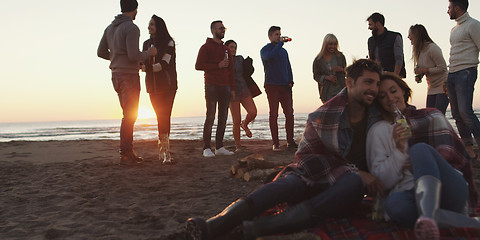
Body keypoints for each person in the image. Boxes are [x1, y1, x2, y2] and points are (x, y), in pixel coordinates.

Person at [185, 59, 385, 240]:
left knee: (353, 183)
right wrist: (354, 171)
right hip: (314, 175)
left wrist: (356, 174)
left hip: (343, 187)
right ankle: (215, 224)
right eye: (368, 82)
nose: (374, 89)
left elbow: (410, 118)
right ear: (349, 82)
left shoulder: (381, 113)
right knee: (288, 183)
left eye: (377, 84)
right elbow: (307, 160)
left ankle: (255, 229)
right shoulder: (324, 114)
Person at [366, 73, 479, 240]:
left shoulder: (431, 115)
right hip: (410, 194)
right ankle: (437, 220)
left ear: (403, 91)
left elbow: (454, 157)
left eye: (393, 91)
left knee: (419, 150)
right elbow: (382, 182)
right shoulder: (379, 131)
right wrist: (398, 150)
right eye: (382, 96)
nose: (390, 98)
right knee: (394, 205)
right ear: (378, 102)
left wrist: (422, 162)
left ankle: (427, 215)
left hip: (450, 189)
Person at [97, 0, 157, 165]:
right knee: (130, 115)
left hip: (115, 75)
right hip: (128, 75)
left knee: (128, 114)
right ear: (135, 9)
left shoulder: (110, 28)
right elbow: (133, 55)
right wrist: (148, 53)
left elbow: (100, 52)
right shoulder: (131, 28)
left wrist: (116, 58)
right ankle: (126, 152)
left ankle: (127, 151)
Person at [195, 20, 235, 158]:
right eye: (220, 28)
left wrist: (233, 88)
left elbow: (231, 70)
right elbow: (198, 65)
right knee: (210, 116)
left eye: (224, 28)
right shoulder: (205, 47)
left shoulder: (226, 49)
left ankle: (219, 146)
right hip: (211, 84)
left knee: (223, 117)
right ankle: (206, 147)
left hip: (226, 86)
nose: (223, 30)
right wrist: (217, 65)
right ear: (213, 30)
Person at [447, 0, 480, 160]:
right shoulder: (454, 29)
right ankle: (469, 149)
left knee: (465, 112)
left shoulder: (473, 25)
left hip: (466, 72)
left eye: (449, 7)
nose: (447, 11)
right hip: (452, 73)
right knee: (456, 114)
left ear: (457, 8)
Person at [142, 15, 177, 164]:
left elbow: (165, 64)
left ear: (159, 26)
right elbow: (141, 63)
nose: (149, 27)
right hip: (152, 86)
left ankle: (166, 152)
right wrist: (145, 63)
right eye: (149, 24)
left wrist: (147, 67)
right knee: (159, 117)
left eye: (152, 24)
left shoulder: (169, 42)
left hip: (167, 86)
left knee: (165, 116)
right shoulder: (146, 43)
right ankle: (162, 150)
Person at [260, 26, 297, 151]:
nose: (279, 36)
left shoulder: (283, 52)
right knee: (274, 114)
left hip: (285, 86)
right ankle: (275, 143)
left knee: (289, 114)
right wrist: (279, 45)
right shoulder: (265, 50)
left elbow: (288, 66)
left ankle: (290, 141)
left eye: (279, 34)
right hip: (272, 86)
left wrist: (291, 81)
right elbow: (269, 57)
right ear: (270, 36)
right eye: (276, 34)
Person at [225, 40, 259, 152]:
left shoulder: (240, 58)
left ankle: (244, 124)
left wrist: (250, 64)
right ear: (226, 48)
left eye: (235, 47)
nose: (233, 49)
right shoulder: (224, 60)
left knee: (253, 112)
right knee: (236, 119)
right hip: (232, 91)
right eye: (231, 47)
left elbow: (248, 72)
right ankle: (238, 146)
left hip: (244, 88)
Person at [408, 24, 449, 114]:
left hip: (442, 87)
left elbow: (443, 68)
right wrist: (419, 76)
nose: (408, 37)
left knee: (438, 115)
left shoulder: (433, 48)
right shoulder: (419, 51)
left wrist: (424, 70)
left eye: (410, 35)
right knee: (429, 116)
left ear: (417, 36)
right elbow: (424, 69)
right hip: (431, 88)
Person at [367, 12, 407, 78]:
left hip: (393, 77)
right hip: (378, 77)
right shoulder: (370, 41)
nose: (369, 28)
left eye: (370, 25)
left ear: (378, 24)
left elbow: (399, 59)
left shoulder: (395, 37)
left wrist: (395, 76)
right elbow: (372, 60)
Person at [312, 33, 347, 103]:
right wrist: (327, 78)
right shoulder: (318, 60)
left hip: (341, 89)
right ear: (325, 45)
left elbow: (348, 73)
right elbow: (316, 76)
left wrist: (341, 70)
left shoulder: (340, 56)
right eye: (330, 44)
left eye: (335, 44)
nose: (333, 46)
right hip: (327, 92)